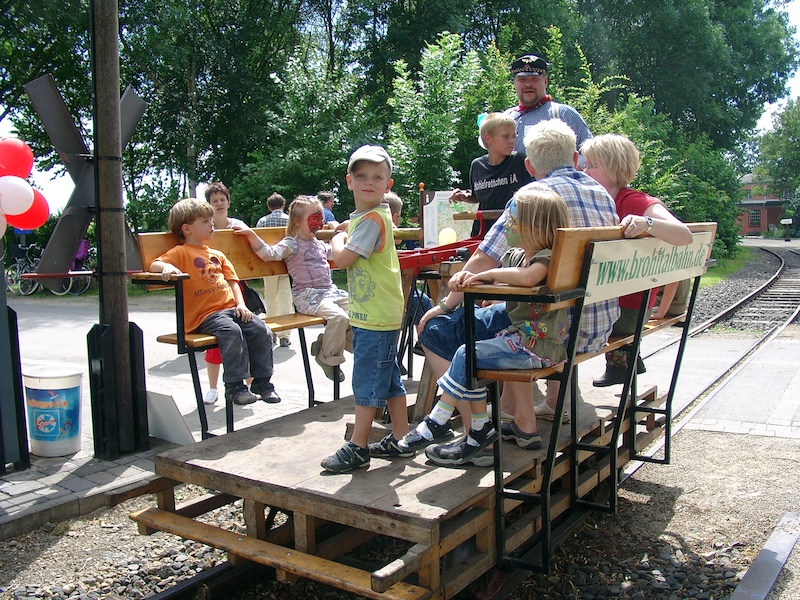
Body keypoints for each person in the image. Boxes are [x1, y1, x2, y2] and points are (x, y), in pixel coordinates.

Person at [416, 119, 619, 432]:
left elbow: (484, 258)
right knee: (510, 310)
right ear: (575, 158)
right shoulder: (601, 193)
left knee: (435, 329)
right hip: (598, 324)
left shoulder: (533, 196)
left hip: (554, 331)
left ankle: (474, 427)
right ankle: (512, 411)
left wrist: (443, 305)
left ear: (529, 165)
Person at [398, 187, 572, 466]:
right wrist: (469, 278)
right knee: (469, 354)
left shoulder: (547, 257)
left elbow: (528, 278)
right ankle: (478, 427)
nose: (507, 225)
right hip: (521, 340)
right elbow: (504, 278)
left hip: (535, 348)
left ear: (534, 227)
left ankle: (439, 419)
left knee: (466, 354)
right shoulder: (517, 256)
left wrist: (486, 275)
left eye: (513, 220)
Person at [320, 145, 410, 473]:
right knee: (388, 379)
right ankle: (401, 438)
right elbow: (355, 225)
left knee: (367, 381)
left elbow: (342, 258)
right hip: (374, 312)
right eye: (361, 176)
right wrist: (346, 227)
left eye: (377, 177)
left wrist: (336, 237)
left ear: (388, 184)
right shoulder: (364, 217)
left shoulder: (372, 220)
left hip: (376, 316)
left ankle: (358, 447)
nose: (369, 182)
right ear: (349, 181)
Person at [581, 133, 692, 386]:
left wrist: (647, 223)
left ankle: (554, 395)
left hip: (627, 311)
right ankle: (623, 363)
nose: (585, 171)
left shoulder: (635, 201)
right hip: (613, 303)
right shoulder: (593, 200)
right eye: (586, 164)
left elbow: (684, 235)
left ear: (614, 169)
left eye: (593, 165)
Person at [150, 198, 281, 407]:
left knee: (261, 329)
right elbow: (155, 263)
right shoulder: (181, 252)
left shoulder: (217, 254)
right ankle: (235, 386)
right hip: (205, 316)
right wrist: (168, 268)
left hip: (231, 309)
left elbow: (233, 281)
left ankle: (262, 382)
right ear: (187, 229)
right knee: (232, 332)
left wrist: (241, 304)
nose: (211, 224)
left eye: (211, 220)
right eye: (205, 221)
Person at [236, 196, 350, 383]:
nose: (318, 223)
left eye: (320, 218)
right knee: (339, 318)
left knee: (360, 312)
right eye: (314, 218)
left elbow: (336, 253)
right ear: (297, 221)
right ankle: (328, 358)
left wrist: (338, 231)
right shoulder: (292, 243)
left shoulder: (319, 244)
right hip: (308, 297)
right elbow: (269, 254)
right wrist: (251, 234)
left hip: (330, 292)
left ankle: (325, 345)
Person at [201, 182, 248, 405]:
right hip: (214, 291)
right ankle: (212, 388)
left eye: (222, 200)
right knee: (216, 342)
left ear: (228, 202)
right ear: (208, 205)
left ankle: (247, 382)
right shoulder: (204, 229)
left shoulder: (238, 225)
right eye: (214, 201)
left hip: (237, 287)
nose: (219, 204)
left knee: (246, 334)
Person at [450, 112, 532, 236]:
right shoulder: (477, 165)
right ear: (488, 138)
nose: (512, 141)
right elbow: (478, 197)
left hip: (513, 232)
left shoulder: (519, 160)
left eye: (513, 136)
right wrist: (465, 196)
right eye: (505, 136)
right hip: (483, 232)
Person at [504, 55, 592, 160]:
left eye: (534, 79)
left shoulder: (563, 114)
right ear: (514, 83)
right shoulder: (506, 117)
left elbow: (591, 156)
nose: (528, 84)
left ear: (545, 81)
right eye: (522, 79)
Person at [256, 192, 293, 348]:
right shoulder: (289, 220)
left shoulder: (262, 221)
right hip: (286, 264)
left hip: (269, 265)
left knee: (271, 298)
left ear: (269, 206)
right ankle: (285, 334)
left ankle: (271, 331)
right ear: (283, 205)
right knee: (286, 298)